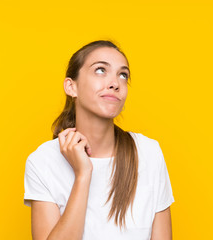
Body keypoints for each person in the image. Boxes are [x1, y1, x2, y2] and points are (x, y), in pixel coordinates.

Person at [23, 40, 175, 240]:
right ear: (71, 87)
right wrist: (83, 175)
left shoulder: (148, 152)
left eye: (123, 75)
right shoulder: (43, 161)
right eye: (101, 70)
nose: (115, 83)